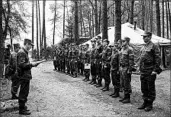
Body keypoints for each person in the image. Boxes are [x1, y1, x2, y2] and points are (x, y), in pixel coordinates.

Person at [137, 32, 161, 111]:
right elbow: (141, 58)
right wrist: (138, 67)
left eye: (145, 37)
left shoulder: (154, 46)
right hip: (143, 71)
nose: (144, 38)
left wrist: (155, 70)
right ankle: (145, 102)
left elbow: (158, 58)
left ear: (150, 37)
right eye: (143, 37)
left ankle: (149, 104)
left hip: (150, 70)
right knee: (143, 88)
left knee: (150, 88)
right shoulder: (143, 47)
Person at [17, 39, 39, 115]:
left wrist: (31, 64)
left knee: (25, 92)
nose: (30, 47)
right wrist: (32, 64)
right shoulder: (22, 52)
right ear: (26, 44)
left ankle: (23, 106)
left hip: (25, 76)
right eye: (30, 45)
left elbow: (24, 64)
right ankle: (21, 109)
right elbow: (22, 65)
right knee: (23, 92)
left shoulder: (24, 52)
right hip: (23, 76)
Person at [119, 37, 134, 103]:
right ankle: (125, 96)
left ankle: (128, 98)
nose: (123, 42)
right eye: (122, 41)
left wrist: (129, 70)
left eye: (124, 41)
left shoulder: (130, 49)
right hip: (122, 67)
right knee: (123, 82)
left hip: (127, 68)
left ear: (127, 42)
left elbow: (131, 60)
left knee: (127, 83)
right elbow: (121, 59)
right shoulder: (122, 49)